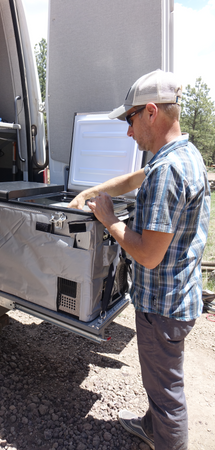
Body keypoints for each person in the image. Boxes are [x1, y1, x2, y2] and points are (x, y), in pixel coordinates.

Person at [68, 69, 210, 450]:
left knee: (167, 394)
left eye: (130, 120)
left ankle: (165, 439)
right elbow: (135, 179)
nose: (128, 132)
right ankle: (152, 426)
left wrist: (108, 219)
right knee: (159, 379)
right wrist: (92, 192)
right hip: (178, 297)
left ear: (150, 112)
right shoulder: (183, 154)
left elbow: (148, 255)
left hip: (162, 307)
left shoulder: (168, 171)